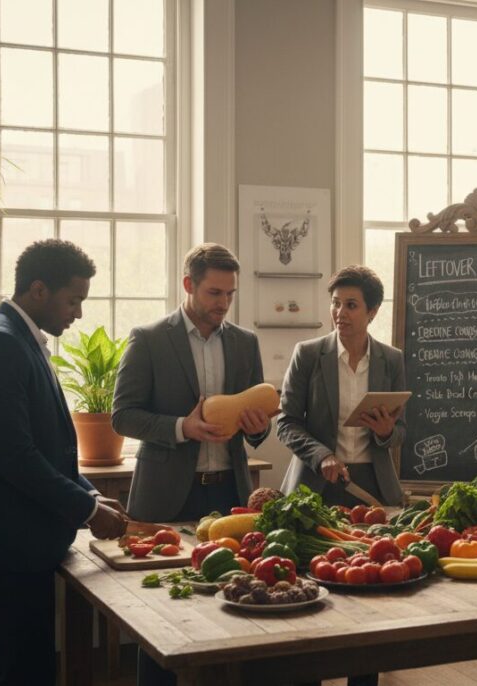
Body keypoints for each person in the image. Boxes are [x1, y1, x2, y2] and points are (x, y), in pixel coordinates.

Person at [0, 240, 129, 685]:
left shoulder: (17, 338)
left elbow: (44, 448)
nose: (79, 313)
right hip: (9, 540)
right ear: (39, 290)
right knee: (21, 671)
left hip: (20, 538)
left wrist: (88, 491)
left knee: (20, 664)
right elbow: (14, 457)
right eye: (74, 300)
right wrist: (86, 510)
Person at [112, 243, 272, 686]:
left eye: (229, 295)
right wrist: (184, 426)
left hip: (228, 493)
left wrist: (258, 427)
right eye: (213, 293)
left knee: (235, 604)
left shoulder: (245, 343)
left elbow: (255, 428)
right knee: (162, 612)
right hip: (165, 495)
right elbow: (122, 415)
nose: (222, 304)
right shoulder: (149, 338)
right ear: (188, 285)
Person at [279, 265, 406, 508]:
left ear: (372, 311)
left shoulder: (392, 359)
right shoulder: (307, 354)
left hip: (375, 486)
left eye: (351, 305)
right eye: (335, 303)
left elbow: (401, 431)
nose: (340, 313)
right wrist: (322, 455)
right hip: (315, 482)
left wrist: (386, 432)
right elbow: (287, 423)